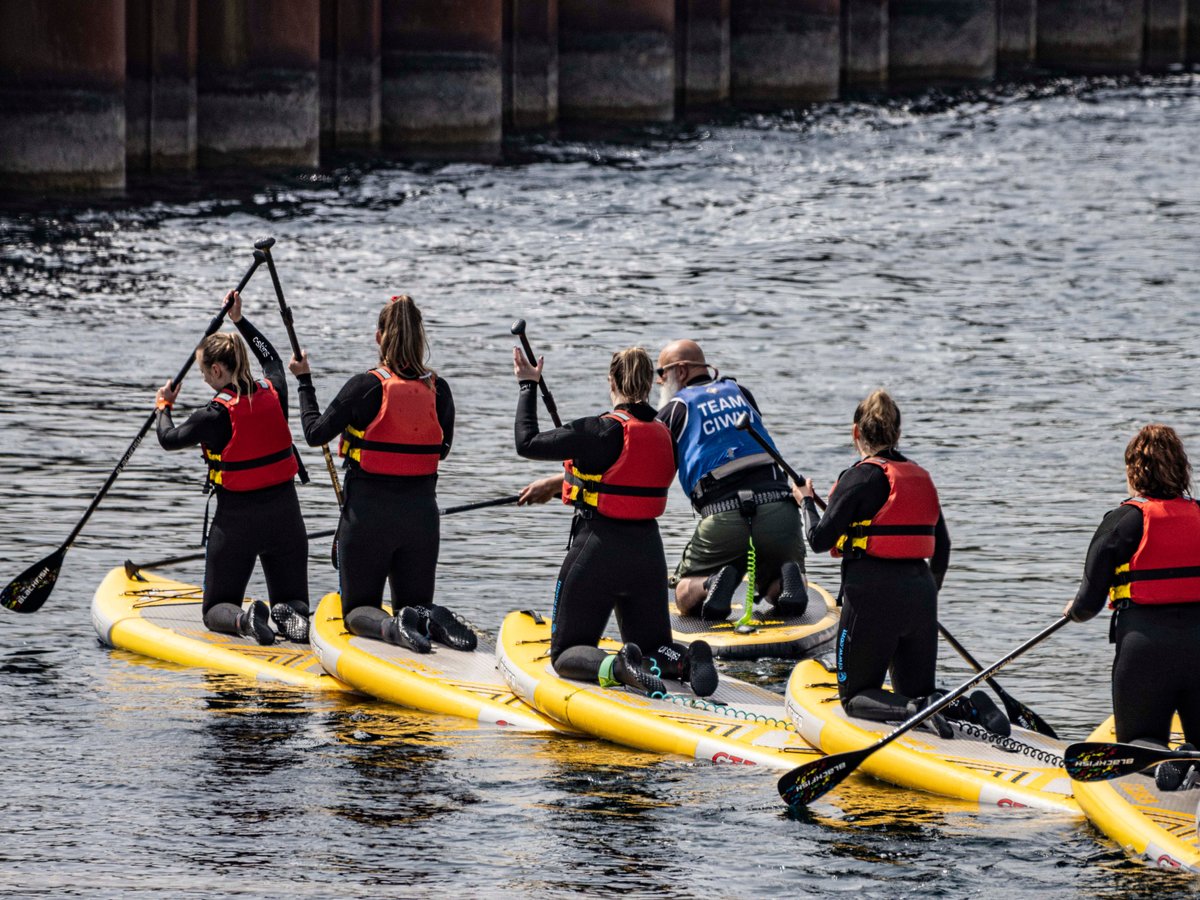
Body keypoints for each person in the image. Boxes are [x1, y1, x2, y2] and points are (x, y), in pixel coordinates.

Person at [795, 389, 1006, 737]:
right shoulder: (919, 477)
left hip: (872, 597)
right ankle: (966, 705)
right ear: (898, 433)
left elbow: (819, 540)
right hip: (921, 593)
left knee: (856, 697)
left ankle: (917, 710)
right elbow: (944, 546)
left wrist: (805, 501)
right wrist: (926, 599)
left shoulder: (859, 477)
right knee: (918, 689)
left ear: (855, 433)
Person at [513, 345, 719, 697]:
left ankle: (617, 666)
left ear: (612, 381)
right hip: (649, 553)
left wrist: (527, 385)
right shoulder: (664, 433)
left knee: (565, 653)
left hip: (598, 549)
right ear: (649, 384)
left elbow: (527, 442)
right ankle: (686, 659)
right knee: (654, 646)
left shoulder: (600, 431)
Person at [288, 295, 474, 653]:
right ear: (421, 339)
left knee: (358, 611)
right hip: (421, 519)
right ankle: (425, 615)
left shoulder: (365, 386)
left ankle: (391, 627)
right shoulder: (440, 390)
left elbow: (315, 434)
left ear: (379, 337)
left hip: (368, 517)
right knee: (414, 605)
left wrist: (304, 382)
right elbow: (442, 449)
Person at [155, 290, 310, 646]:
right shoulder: (275, 390)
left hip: (238, 520)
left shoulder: (213, 415)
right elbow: (271, 357)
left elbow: (169, 439)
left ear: (217, 369)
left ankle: (244, 619)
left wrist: (163, 406)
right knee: (294, 602)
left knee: (215, 609)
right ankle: (292, 614)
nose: (205, 380)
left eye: (205, 373)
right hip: (286, 516)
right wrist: (240, 319)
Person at [1065, 424, 1200, 790]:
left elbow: (1089, 604)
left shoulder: (1124, 521)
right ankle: (1194, 756)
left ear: (1133, 471)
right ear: (1182, 469)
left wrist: (1073, 611)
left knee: (1139, 741)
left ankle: (1164, 763)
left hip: (1146, 649)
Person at [655, 340, 808, 621]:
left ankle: (711, 584)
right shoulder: (741, 392)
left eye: (661, 374)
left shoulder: (674, 409)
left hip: (722, 518)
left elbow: (647, 471)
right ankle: (787, 581)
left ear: (681, 370)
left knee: (683, 595)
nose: (658, 382)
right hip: (779, 510)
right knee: (771, 576)